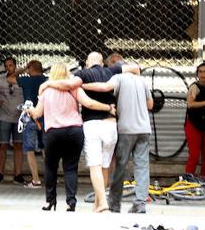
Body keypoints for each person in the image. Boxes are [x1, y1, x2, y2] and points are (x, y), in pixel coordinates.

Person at [28, 62, 114, 212]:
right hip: (74, 132)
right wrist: (108, 108)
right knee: (70, 168)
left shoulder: (46, 91)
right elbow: (88, 103)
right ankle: (71, 202)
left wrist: (29, 110)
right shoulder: (74, 88)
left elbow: (37, 113)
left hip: (54, 133)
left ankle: (50, 202)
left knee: (50, 168)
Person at [83, 64, 153, 214]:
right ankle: (140, 203)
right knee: (142, 167)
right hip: (144, 129)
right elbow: (151, 104)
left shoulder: (118, 78)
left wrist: (83, 84)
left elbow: (104, 87)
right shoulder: (142, 81)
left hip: (125, 129)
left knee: (119, 167)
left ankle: (114, 204)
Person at [0, 57, 25, 184]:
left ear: (15, 66)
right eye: (6, 66)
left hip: (20, 118)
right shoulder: (0, 81)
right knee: (3, 145)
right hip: (4, 117)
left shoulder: (22, 80)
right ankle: (0, 174)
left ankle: (18, 175)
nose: (8, 68)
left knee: (18, 145)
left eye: (10, 65)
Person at [14, 59, 47, 188]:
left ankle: (36, 180)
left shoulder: (26, 80)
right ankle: (51, 178)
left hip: (30, 117)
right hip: (45, 118)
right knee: (46, 149)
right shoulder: (47, 80)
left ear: (30, 68)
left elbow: (10, 78)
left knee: (29, 149)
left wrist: (22, 69)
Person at [184, 62, 205, 180]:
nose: (203, 74)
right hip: (193, 123)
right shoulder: (194, 87)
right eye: (200, 71)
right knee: (194, 154)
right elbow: (190, 104)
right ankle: (188, 178)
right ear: (197, 73)